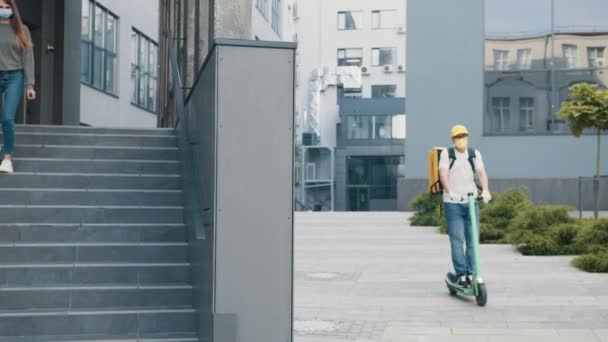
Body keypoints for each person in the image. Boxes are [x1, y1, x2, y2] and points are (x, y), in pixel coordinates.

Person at [439, 125, 491, 287]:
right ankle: (461, 274)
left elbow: (481, 172)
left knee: (473, 240)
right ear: (453, 139)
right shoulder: (447, 154)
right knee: (457, 239)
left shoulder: (474, 154)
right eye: (458, 136)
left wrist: (486, 191)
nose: (461, 139)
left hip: (471, 202)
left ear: (467, 137)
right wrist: (450, 191)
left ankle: (471, 272)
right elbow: (443, 174)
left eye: (463, 136)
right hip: (453, 203)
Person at [0, 0, 35, 174]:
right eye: (1, 7)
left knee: (7, 118)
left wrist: (30, 85)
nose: (4, 10)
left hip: (15, 76)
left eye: (7, 8)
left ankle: (7, 158)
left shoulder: (22, 30)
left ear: (13, 10)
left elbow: (28, 57)